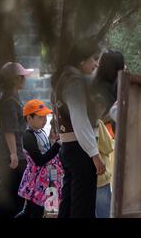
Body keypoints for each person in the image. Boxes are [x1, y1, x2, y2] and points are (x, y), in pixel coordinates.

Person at [51, 39, 106, 218]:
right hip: (79, 149)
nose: (96, 63)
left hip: (69, 148)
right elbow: (80, 120)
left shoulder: (64, 78)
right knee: (82, 207)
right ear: (82, 60)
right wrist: (94, 155)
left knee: (69, 204)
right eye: (94, 59)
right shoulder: (74, 81)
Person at [0, 62, 33, 218]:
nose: (25, 79)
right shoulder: (9, 100)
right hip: (11, 155)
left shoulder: (10, 97)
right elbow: (9, 130)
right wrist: (14, 154)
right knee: (11, 196)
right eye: (22, 77)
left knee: (12, 194)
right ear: (16, 79)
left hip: (12, 152)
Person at [16, 100, 62, 218]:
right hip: (37, 181)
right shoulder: (28, 136)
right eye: (41, 117)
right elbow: (39, 160)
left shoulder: (40, 131)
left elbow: (46, 151)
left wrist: (52, 142)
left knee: (52, 211)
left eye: (46, 116)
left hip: (50, 176)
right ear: (29, 118)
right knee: (34, 211)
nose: (45, 120)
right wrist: (57, 145)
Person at [92, 50, 124, 217]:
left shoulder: (96, 85)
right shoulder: (105, 90)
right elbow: (101, 115)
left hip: (102, 145)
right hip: (105, 145)